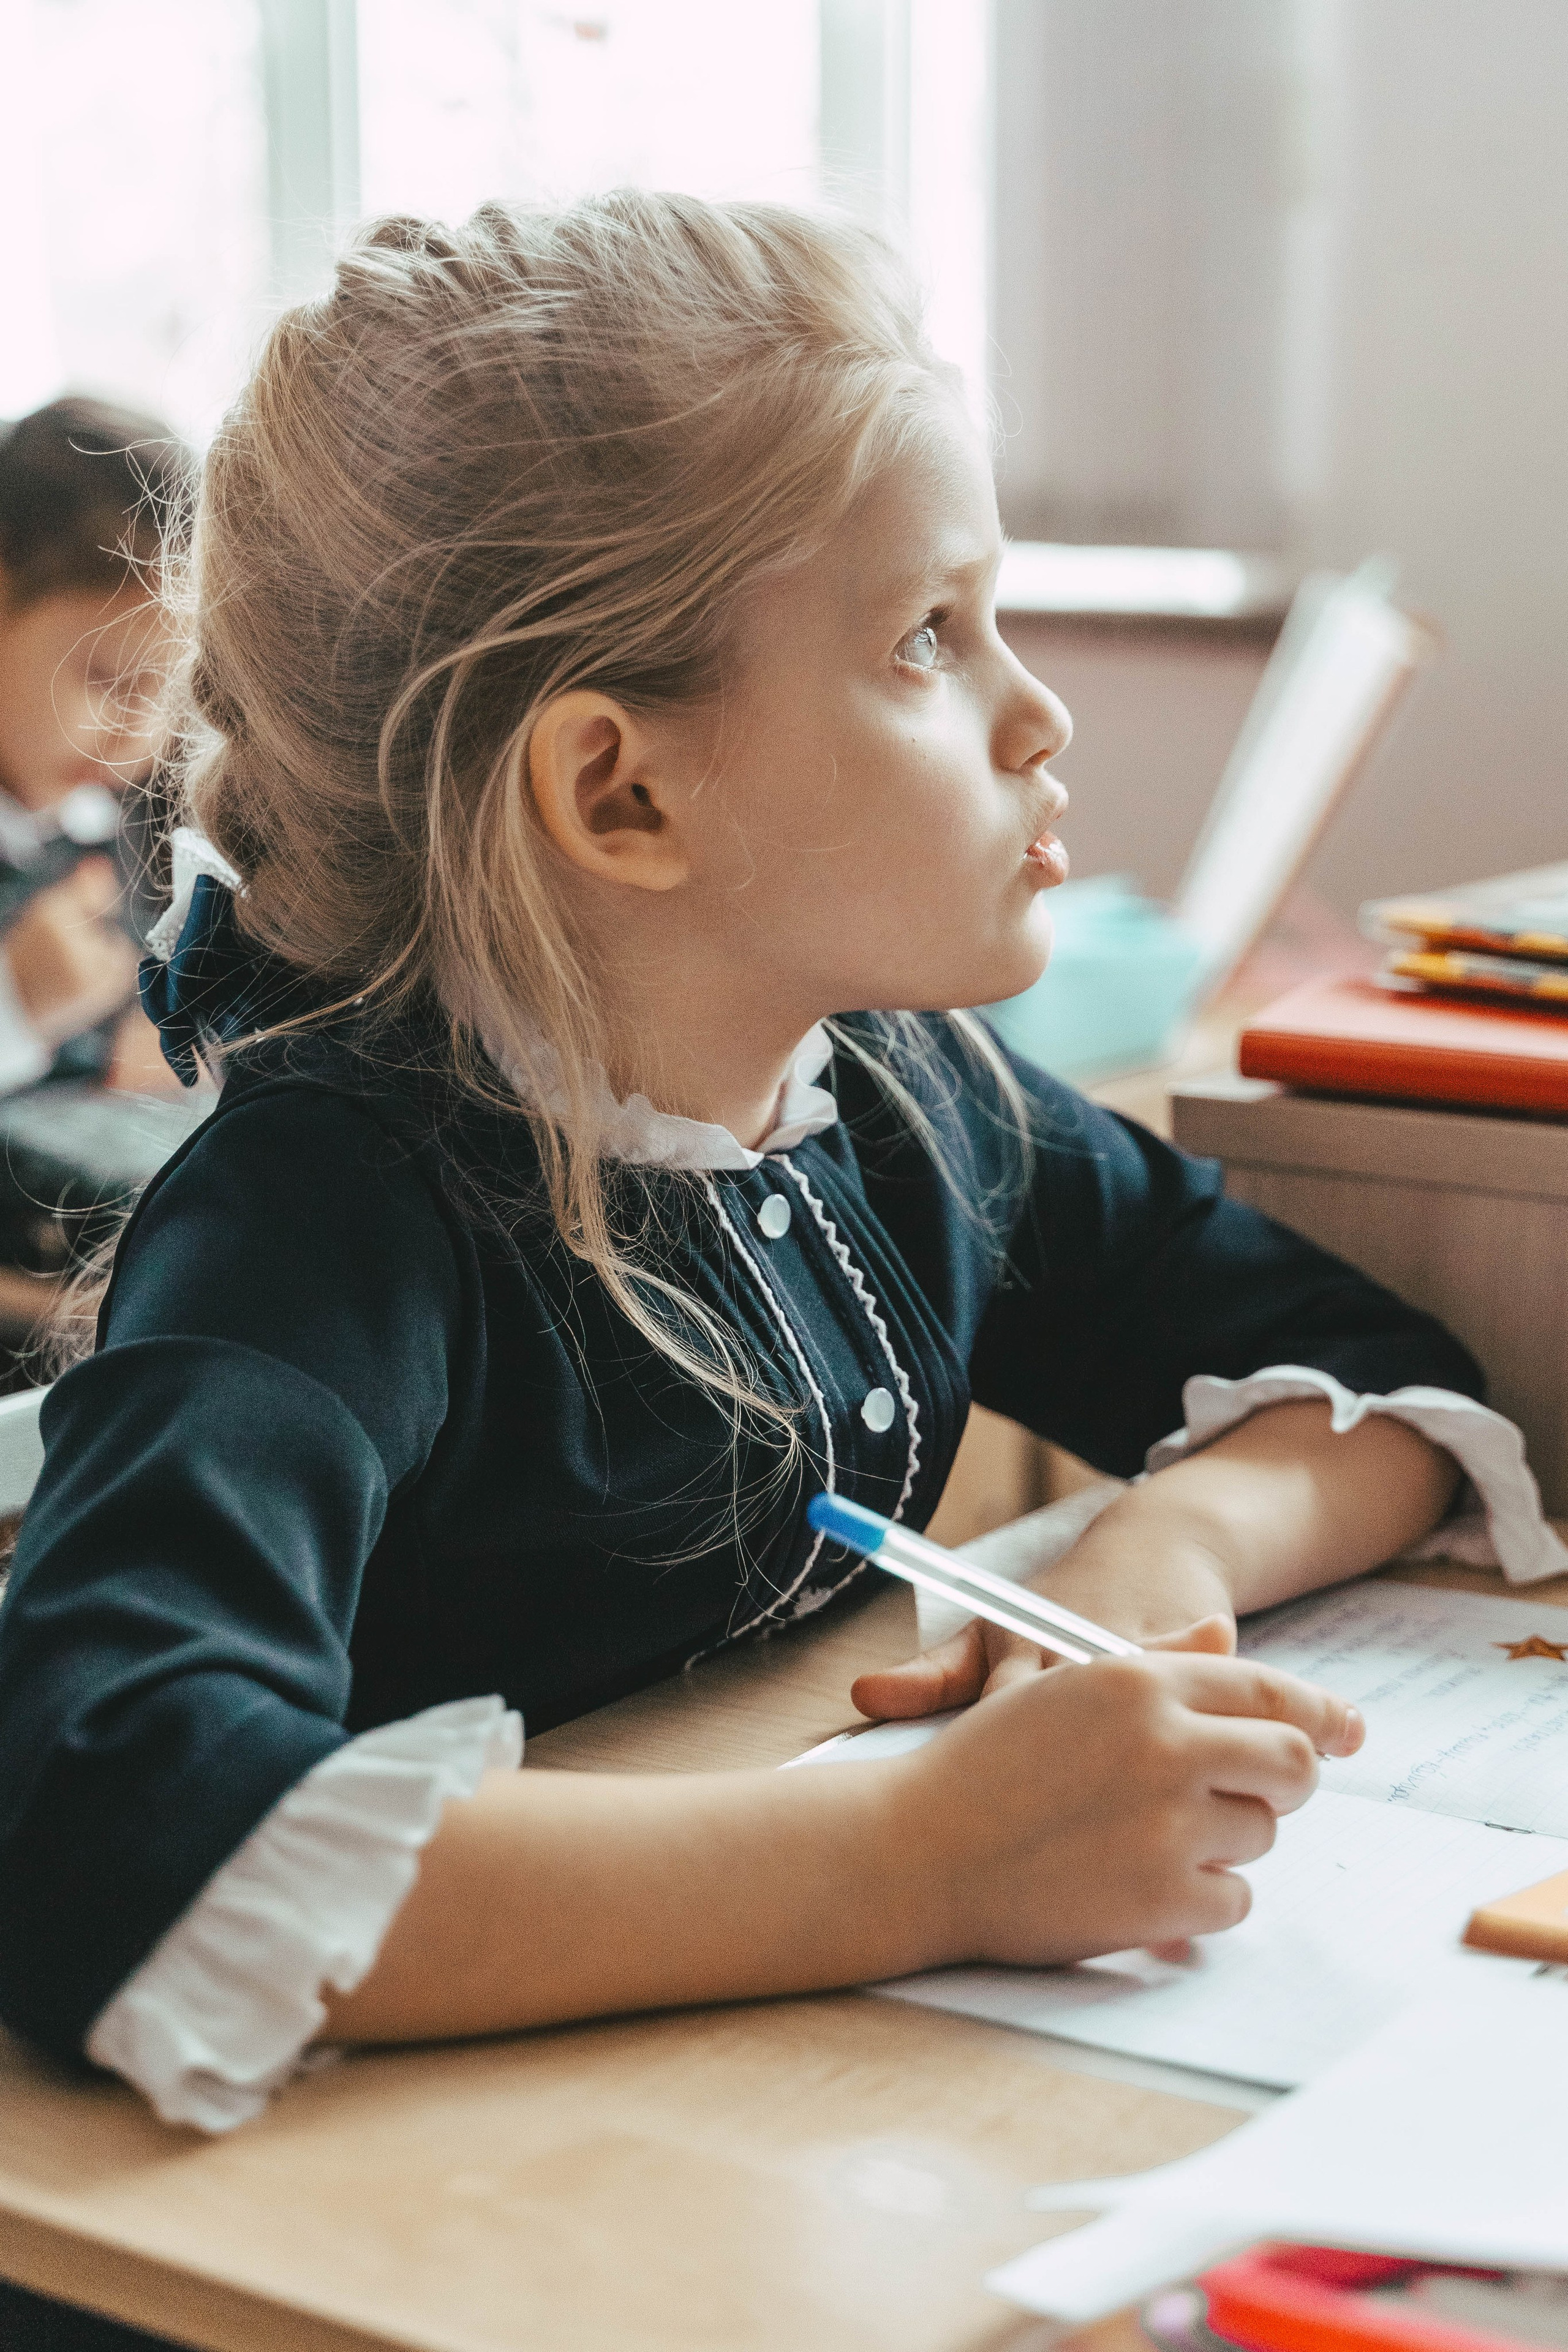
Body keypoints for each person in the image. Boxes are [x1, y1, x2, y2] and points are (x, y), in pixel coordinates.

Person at [0, 197, 1547, 2147]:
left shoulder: (900, 1091)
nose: (1039, 712)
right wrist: (920, 1854)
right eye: (927, 636)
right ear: (619, 791)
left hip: (759, 2119)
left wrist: (1161, 1558)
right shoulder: (325, 1219)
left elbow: (1369, 1373)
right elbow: (100, 1836)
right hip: (423, 2205)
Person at [0, 396, 188, 1093]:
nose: (136, 733)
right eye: (108, 680)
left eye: (166, 696)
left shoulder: (95, 822)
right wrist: (15, 1005)